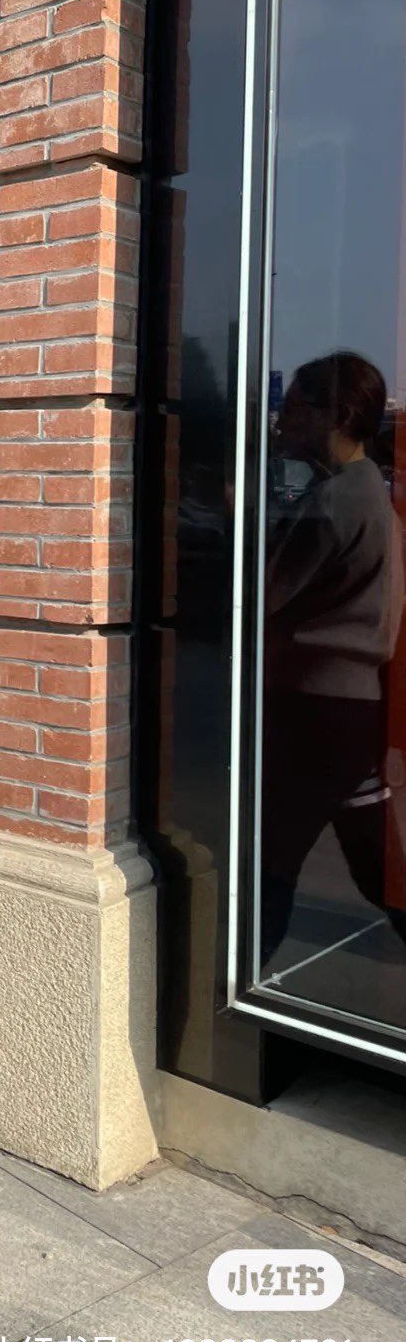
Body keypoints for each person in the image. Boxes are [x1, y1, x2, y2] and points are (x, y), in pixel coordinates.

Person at [261, 351, 406, 968]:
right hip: (347, 708)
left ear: (338, 415)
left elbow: (262, 593)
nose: (283, 421)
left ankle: (233, 988)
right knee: (375, 864)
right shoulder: (366, 488)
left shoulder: (336, 500)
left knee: (271, 861)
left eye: (297, 408)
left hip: (315, 708)